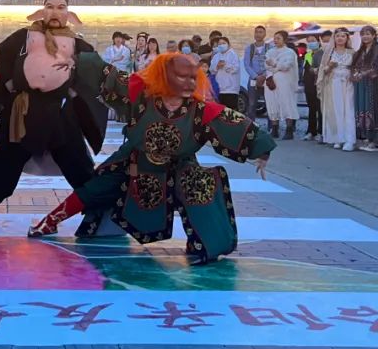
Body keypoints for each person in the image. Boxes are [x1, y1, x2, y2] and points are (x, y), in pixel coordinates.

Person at [27, 52, 277, 264]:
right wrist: (77, 61)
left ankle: (206, 245)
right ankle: (50, 221)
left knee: (199, 184)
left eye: (193, 77)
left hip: (179, 166)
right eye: (181, 76)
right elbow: (109, 76)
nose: (189, 82)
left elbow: (233, 122)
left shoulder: (201, 111)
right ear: (165, 76)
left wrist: (262, 152)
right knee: (95, 187)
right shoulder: (142, 96)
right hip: (133, 161)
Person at [0, 0, 106, 226]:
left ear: (69, 14)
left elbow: (96, 72)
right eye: (50, 7)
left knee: (77, 161)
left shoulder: (79, 45)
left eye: (61, 7)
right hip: (23, 110)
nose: (55, 12)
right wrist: (0, 82)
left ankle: (96, 209)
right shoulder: (23, 36)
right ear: (41, 12)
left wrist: (74, 86)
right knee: (6, 160)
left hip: (60, 112)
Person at [351, 24, 378, 152]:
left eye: (368, 34)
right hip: (361, 84)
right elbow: (354, 67)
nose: (365, 37)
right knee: (362, 109)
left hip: (374, 84)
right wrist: (355, 74)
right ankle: (367, 137)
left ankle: (377, 140)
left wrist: (364, 73)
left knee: (374, 110)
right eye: (363, 34)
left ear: (374, 36)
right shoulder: (359, 52)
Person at [318, 27, 355, 150]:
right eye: (338, 36)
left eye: (343, 36)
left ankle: (349, 139)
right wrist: (329, 66)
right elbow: (323, 71)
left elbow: (355, 68)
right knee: (336, 110)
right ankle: (338, 138)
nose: (340, 38)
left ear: (347, 38)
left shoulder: (352, 52)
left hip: (348, 84)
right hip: (333, 83)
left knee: (348, 110)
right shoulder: (330, 53)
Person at [263, 31, 298, 140]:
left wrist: (275, 64)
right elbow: (266, 65)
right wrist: (274, 69)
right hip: (271, 82)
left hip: (285, 83)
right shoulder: (270, 51)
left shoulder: (290, 52)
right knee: (272, 103)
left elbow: (286, 66)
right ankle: (275, 129)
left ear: (284, 39)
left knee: (287, 104)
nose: (276, 40)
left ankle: (289, 130)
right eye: (275, 38)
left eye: (278, 38)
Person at [243, 25, 270, 120]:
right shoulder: (249, 48)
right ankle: (251, 125)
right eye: (256, 32)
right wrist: (256, 76)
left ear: (265, 34)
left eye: (260, 32)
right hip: (253, 80)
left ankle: (271, 126)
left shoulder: (270, 48)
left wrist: (264, 75)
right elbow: (247, 64)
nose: (258, 34)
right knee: (251, 104)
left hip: (267, 80)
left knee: (270, 103)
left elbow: (272, 64)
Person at [301, 34, 323, 141]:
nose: (311, 43)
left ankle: (321, 132)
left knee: (320, 109)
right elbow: (305, 70)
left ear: (318, 41)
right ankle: (311, 131)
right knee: (311, 108)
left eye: (313, 40)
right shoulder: (307, 55)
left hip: (320, 84)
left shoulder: (323, 53)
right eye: (309, 41)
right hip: (309, 85)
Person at [210, 36, 240, 109]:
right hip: (219, 89)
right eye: (219, 44)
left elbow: (235, 69)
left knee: (230, 111)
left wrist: (225, 65)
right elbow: (211, 70)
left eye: (223, 43)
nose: (221, 45)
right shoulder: (216, 56)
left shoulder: (233, 55)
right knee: (219, 111)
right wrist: (217, 66)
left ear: (228, 44)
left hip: (231, 90)